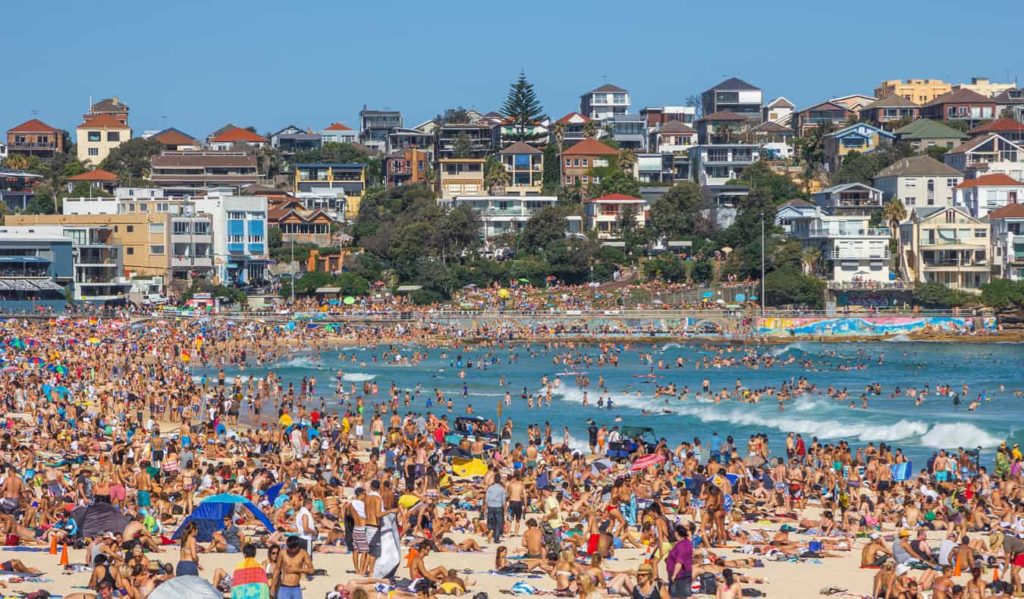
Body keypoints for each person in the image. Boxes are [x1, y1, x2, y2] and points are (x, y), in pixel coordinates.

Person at [272, 535, 314, 599]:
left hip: (296, 588)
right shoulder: (282, 553)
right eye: (289, 547)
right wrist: (273, 586)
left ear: (297, 547)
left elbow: (312, 570)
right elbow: (277, 569)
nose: (290, 550)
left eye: (292, 548)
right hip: (284, 587)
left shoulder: (303, 553)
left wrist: (295, 569)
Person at [665, 524, 693, 598]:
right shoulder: (687, 542)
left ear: (677, 533)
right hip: (684, 574)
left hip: (680, 575)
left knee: (675, 596)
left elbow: (679, 562)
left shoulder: (682, 546)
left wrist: (674, 575)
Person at [485, 473, 507, 543]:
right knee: (498, 523)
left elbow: (486, 499)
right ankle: (496, 538)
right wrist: (505, 510)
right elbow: (504, 500)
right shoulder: (502, 489)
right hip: (498, 506)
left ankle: (491, 530)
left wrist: (485, 507)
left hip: (491, 506)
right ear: (500, 480)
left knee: (491, 521)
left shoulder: (490, 488)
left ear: (494, 480)